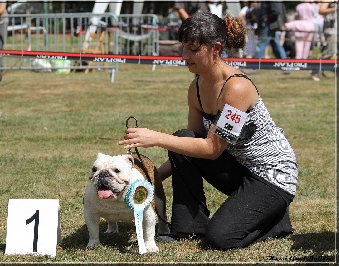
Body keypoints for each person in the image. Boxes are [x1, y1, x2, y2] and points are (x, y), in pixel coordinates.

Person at [119, 10, 298, 250]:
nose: (185, 56)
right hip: (240, 167)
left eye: (193, 49)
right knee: (183, 138)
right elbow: (189, 147)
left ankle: (275, 220)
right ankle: (188, 227)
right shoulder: (196, 87)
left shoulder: (236, 88)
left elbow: (212, 149)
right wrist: (149, 180)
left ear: (215, 48)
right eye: (184, 48)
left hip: (272, 177)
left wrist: (156, 138)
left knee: (220, 239)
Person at [310, 1, 337, 81]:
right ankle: (315, 71)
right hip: (331, 29)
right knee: (329, 52)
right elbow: (321, 10)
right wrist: (335, 8)